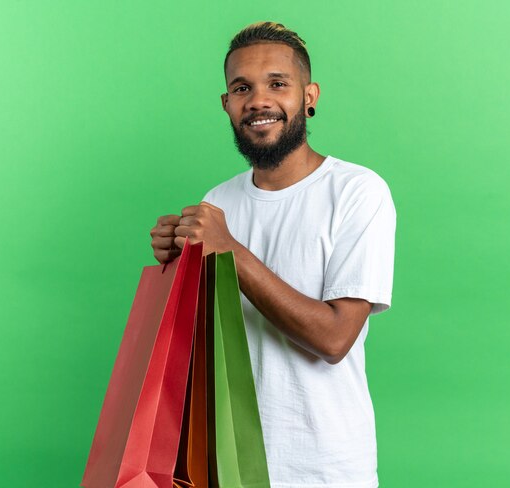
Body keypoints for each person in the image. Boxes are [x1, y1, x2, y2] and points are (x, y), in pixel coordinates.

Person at [150, 21, 396, 488]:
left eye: (277, 84)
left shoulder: (358, 192)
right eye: (242, 88)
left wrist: (230, 252)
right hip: (225, 465)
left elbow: (334, 339)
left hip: (322, 468)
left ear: (310, 96)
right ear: (226, 105)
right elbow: (200, 344)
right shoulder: (217, 202)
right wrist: (173, 265)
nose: (258, 100)